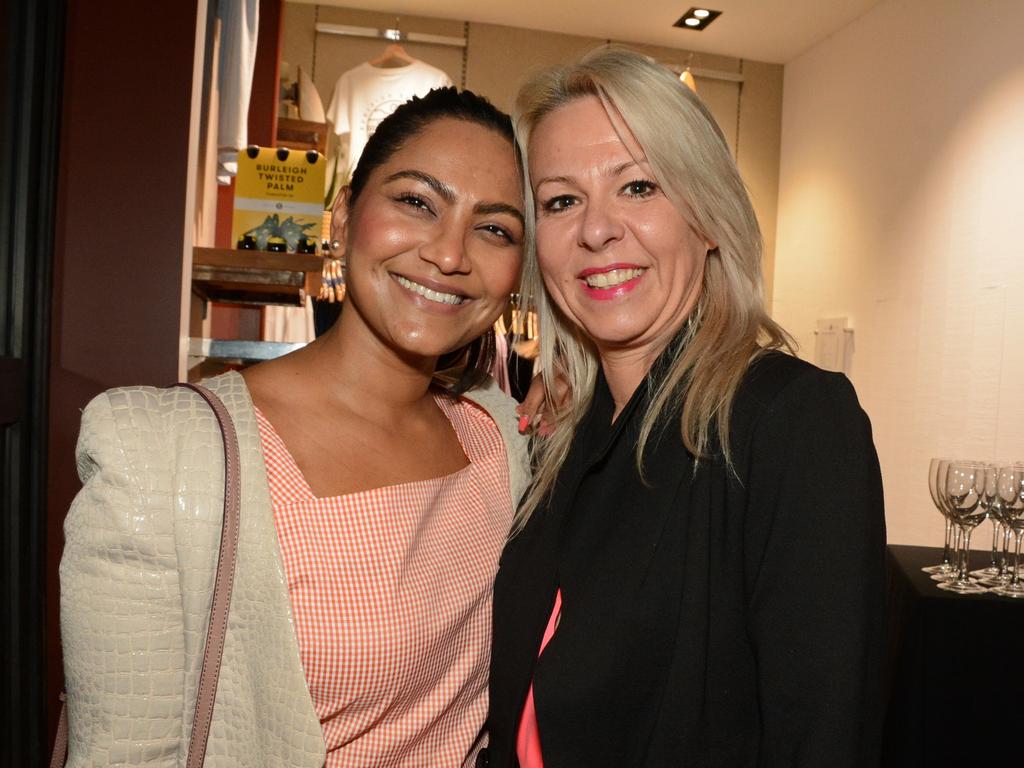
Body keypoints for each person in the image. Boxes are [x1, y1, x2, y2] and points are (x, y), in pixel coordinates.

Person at [60, 87, 529, 767]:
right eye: (417, 202)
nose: (450, 254)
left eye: (495, 229)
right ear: (342, 218)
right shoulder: (162, 458)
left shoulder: (503, 439)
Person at [487, 48, 886, 767]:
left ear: (707, 218)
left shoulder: (789, 423)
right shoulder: (559, 443)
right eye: (560, 200)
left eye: (638, 186)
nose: (597, 230)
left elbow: (821, 735)